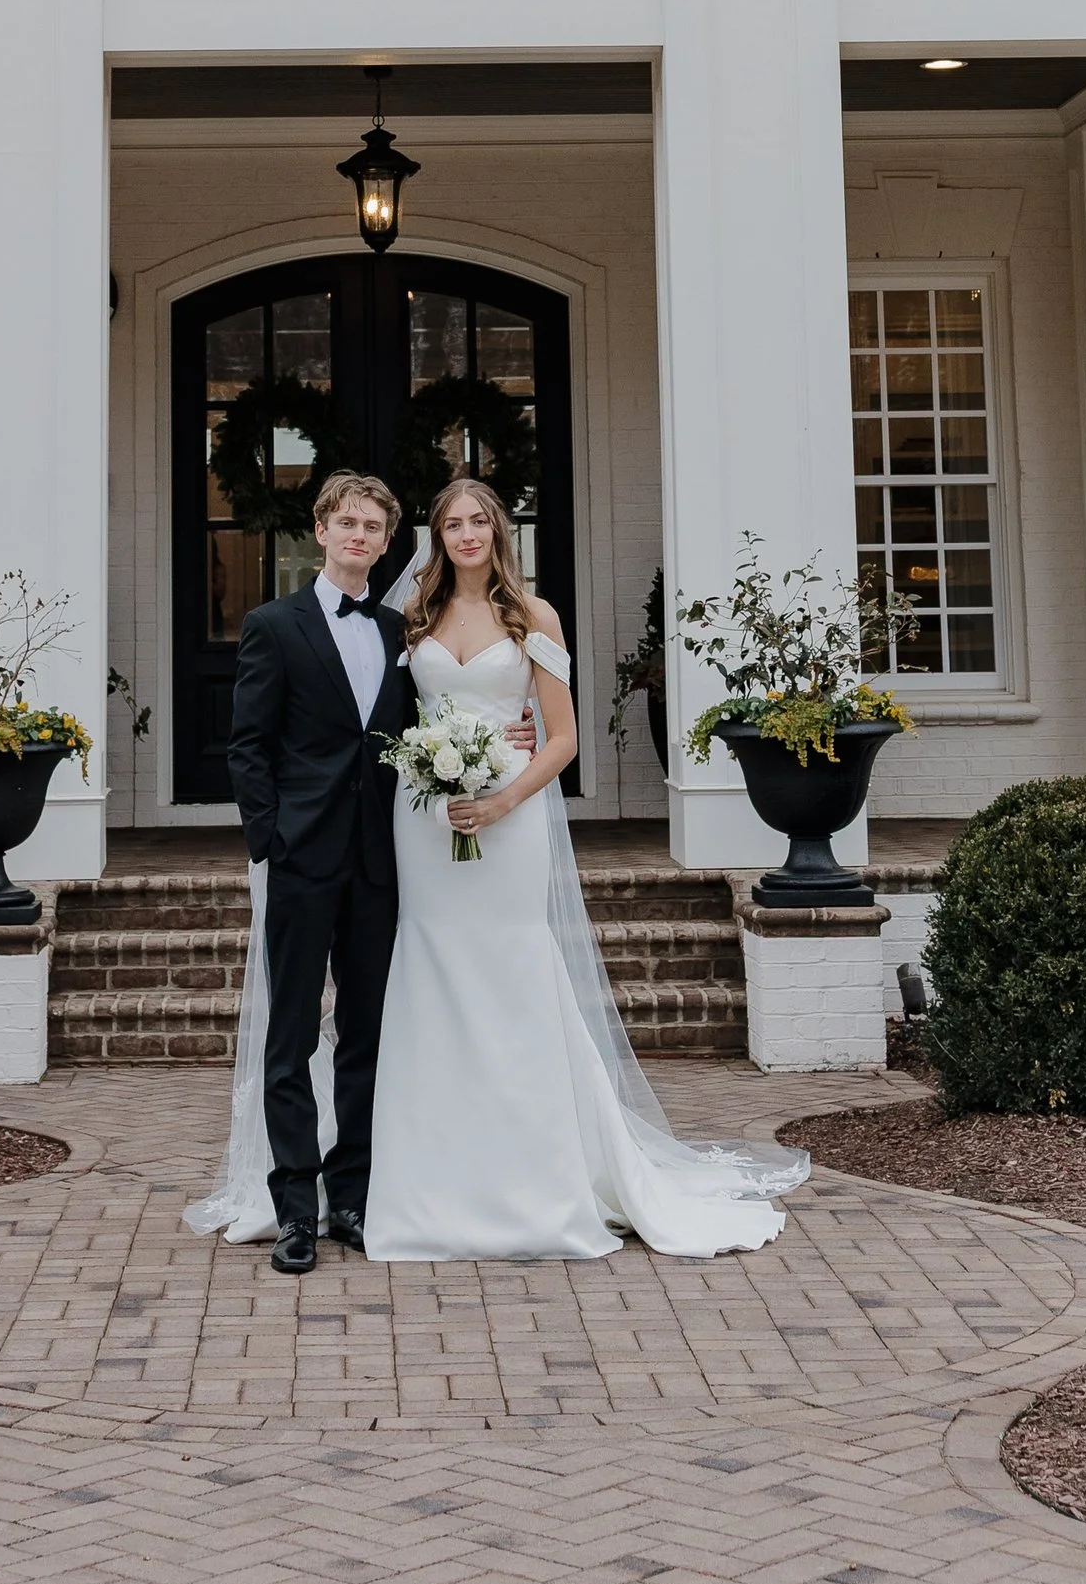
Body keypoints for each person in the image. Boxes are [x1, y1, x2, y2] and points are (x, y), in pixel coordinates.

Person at [361, 472, 808, 1262]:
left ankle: (539, 1174)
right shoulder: (413, 616)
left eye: (478, 521)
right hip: (426, 821)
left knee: (513, 972)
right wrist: (432, 774)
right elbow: (392, 718)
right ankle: (433, 1174)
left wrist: (501, 801)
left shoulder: (534, 617)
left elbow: (562, 738)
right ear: (437, 537)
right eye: (451, 524)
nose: (466, 534)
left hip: (513, 814)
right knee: (429, 967)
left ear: (499, 531)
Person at [207, 472, 419, 1275]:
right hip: (300, 859)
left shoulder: (403, 631)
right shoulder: (274, 625)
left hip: (379, 863)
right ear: (322, 530)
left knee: (366, 1034)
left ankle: (352, 1197)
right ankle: (295, 1207)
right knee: (291, 1036)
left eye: (374, 526)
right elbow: (247, 746)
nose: (360, 536)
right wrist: (269, 840)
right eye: (348, 523)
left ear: (387, 541)